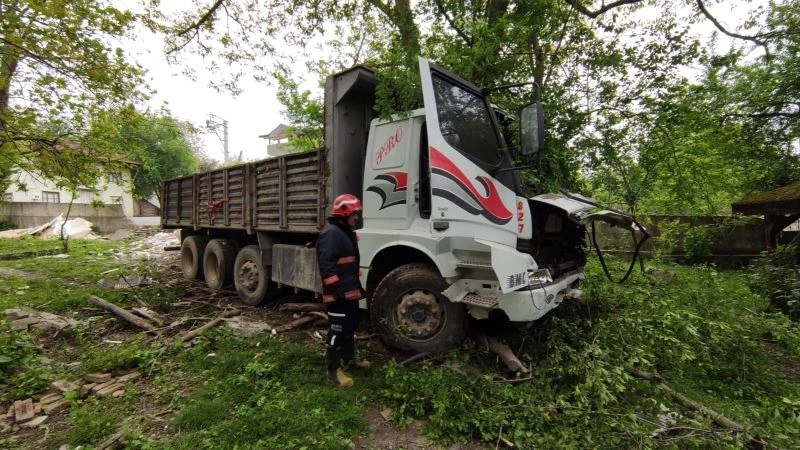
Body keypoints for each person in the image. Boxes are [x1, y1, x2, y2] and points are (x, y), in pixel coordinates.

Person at [316, 193, 370, 387]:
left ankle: (349, 360)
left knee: (349, 328)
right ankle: (333, 371)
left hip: (349, 293)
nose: (356, 218)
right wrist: (336, 292)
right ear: (344, 213)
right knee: (337, 331)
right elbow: (327, 266)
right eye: (354, 214)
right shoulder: (332, 234)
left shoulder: (344, 231)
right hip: (338, 296)